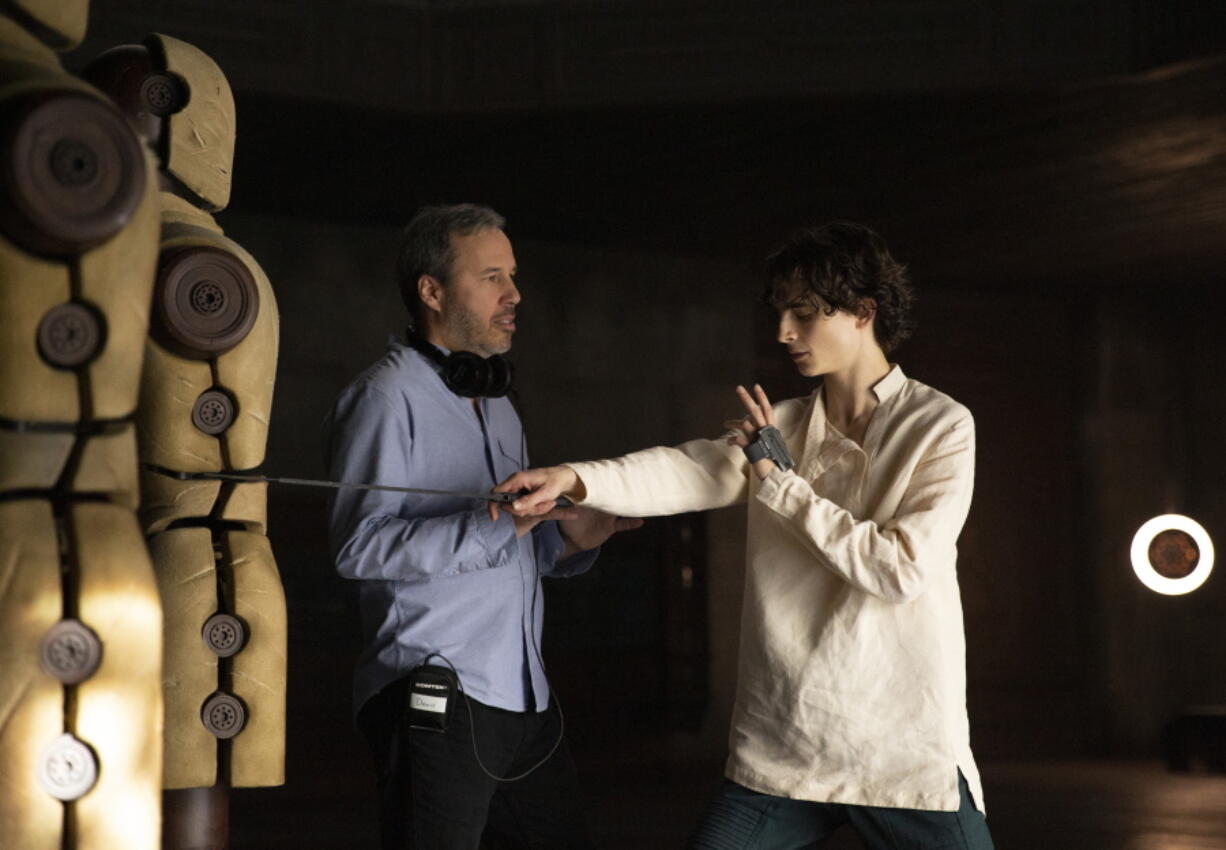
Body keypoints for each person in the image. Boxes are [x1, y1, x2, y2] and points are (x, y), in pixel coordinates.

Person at [496, 222, 995, 849]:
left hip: (900, 745)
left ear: (864, 312)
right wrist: (571, 478)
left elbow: (900, 569)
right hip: (787, 741)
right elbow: (685, 468)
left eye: (805, 313)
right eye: (780, 312)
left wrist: (779, 480)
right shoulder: (781, 426)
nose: (784, 331)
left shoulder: (941, 424)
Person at [323, 203, 639, 850]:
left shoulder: (497, 404)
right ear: (431, 291)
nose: (514, 294)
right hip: (435, 694)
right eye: (492, 276)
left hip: (521, 697)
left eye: (512, 275)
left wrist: (569, 540)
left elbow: (507, 542)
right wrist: (501, 527)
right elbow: (359, 548)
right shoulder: (386, 399)